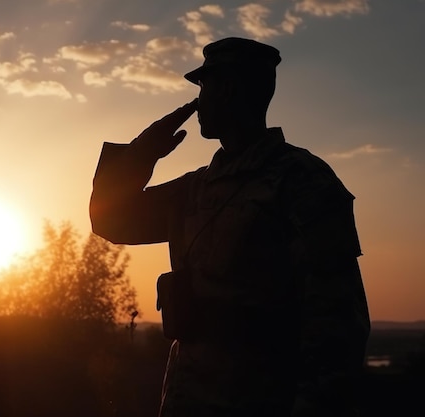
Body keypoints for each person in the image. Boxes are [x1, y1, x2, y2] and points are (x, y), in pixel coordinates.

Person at [90, 37, 370, 417]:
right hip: (188, 398)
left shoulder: (303, 181)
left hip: (263, 398)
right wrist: (140, 153)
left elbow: (337, 318)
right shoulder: (195, 188)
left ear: (229, 89)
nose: (198, 101)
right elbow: (111, 219)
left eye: (203, 87)